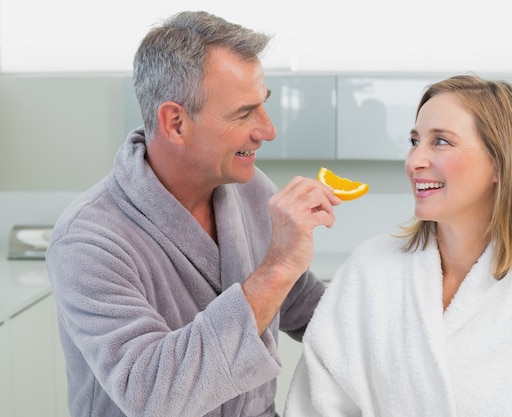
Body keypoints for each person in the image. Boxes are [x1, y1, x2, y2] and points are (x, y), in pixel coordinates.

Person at [46, 11, 341, 417]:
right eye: (244, 113)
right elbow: (153, 395)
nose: (267, 130)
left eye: (264, 107)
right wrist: (277, 268)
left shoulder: (251, 191)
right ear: (176, 123)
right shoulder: (88, 241)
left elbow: (302, 306)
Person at [284, 74, 512, 416]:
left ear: (500, 162)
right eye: (414, 140)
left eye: (440, 142)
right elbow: (317, 402)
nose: (414, 161)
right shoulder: (370, 268)